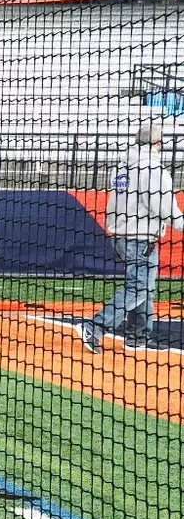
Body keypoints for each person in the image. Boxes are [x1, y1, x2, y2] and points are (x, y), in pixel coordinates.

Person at [82, 123, 180, 353]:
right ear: (158, 143)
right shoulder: (152, 168)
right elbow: (164, 206)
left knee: (144, 287)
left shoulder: (122, 166)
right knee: (138, 288)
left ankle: (138, 337)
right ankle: (95, 326)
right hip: (140, 237)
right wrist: (180, 223)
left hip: (122, 235)